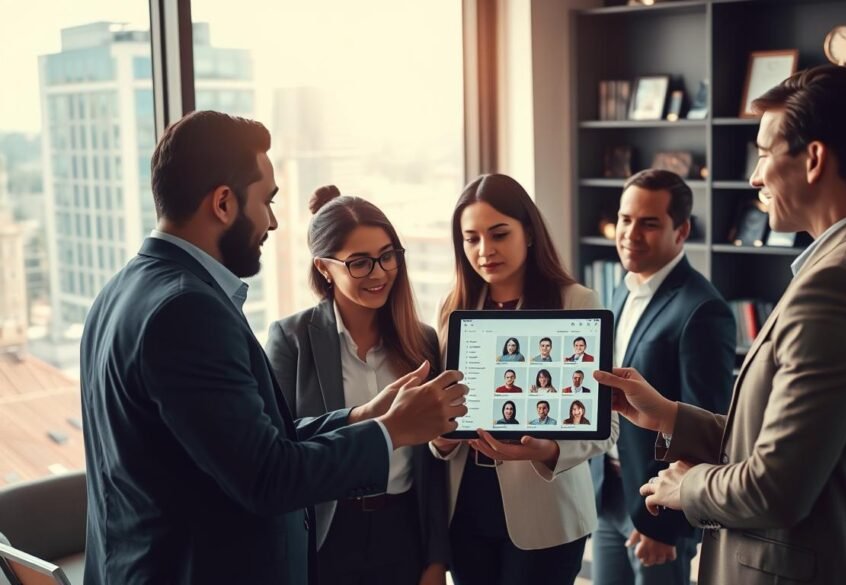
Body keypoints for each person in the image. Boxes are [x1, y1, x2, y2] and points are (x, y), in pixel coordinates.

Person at [78, 111, 469, 585]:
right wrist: (391, 431)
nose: (274, 221)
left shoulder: (122, 290)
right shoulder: (187, 310)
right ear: (224, 203)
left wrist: (359, 417)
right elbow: (268, 477)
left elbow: (251, 444)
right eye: (266, 201)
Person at [594, 66, 846, 585]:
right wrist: (668, 415)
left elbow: (774, 487)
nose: (755, 176)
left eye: (763, 152)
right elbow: (788, 446)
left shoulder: (840, 287)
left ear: (814, 159)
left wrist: (684, 488)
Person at [432, 173, 619, 585]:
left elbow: (608, 426)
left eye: (499, 234)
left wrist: (549, 449)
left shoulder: (577, 303)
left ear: (529, 233)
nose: (485, 251)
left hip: (546, 511)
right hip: (465, 509)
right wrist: (441, 439)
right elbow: (440, 409)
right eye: (472, 239)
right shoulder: (454, 307)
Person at [264, 187, 450, 585]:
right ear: (324, 268)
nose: (380, 273)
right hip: (327, 530)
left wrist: (437, 558)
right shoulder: (291, 339)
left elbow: (433, 467)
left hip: (404, 530)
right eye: (360, 263)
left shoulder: (422, 341)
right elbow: (279, 448)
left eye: (387, 257)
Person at [589, 168, 735, 585]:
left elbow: (707, 424)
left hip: (658, 509)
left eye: (649, 223)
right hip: (611, 494)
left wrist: (667, 525)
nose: (631, 234)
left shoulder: (704, 310)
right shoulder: (622, 287)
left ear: (682, 230)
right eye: (625, 219)